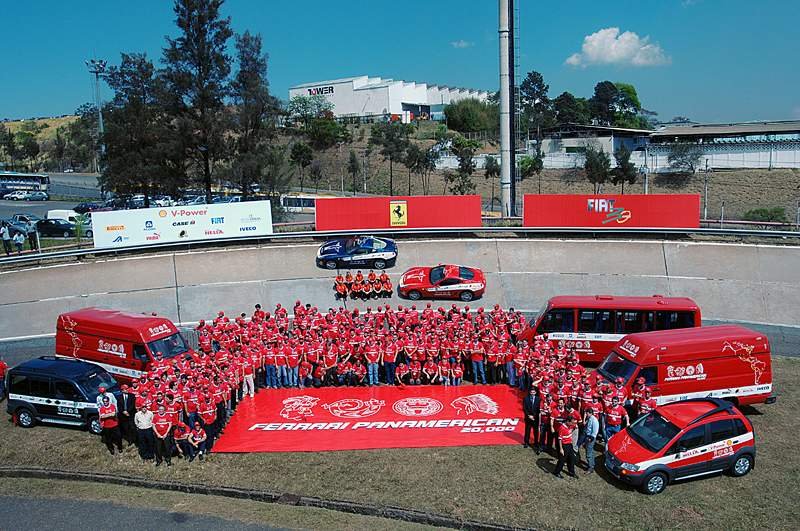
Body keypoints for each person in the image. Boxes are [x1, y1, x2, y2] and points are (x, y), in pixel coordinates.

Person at [579, 407, 600, 473]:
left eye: (587, 413)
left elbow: (595, 431)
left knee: (588, 453)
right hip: (588, 436)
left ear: (590, 413)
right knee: (590, 451)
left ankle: (590, 468)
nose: (586, 414)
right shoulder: (590, 418)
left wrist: (590, 438)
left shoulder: (594, 420)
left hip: (590, 438)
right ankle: (592, 464)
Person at [522, 386, 540, 452]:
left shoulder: (538, 399)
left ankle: (536, 442)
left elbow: (538, 409)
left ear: (535, 392)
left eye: (533, 392)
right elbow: (524, 408)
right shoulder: (526, 399)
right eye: (531, 392)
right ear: (529, 392)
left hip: (535, 418)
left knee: (535, 431)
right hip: (528, 418)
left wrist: (534, 416)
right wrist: (529, 415)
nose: (532, 393)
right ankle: (526, 442)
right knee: (527, 430)